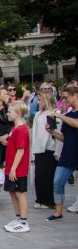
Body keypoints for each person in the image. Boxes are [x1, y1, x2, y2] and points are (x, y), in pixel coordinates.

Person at [46, 84, 78, 221]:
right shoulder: (68, 115)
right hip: (68, 153)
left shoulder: (67, 116)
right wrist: (52, 132)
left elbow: (77, 124)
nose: (64, 100)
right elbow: (65, 138)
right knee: (57, 181)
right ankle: (58, 212)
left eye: (66, 97)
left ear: (75, 95)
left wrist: (60, 115)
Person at [3, 101, 31, 233]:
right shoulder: (15, 129)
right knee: (13, 192)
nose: (7, 113)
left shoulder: (21, 130)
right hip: (11, 167)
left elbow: (21, 150)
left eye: (10, 111)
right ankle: (19, 217)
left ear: (18, 113)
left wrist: (13, 168)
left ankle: (24, 221)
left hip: (18, 169)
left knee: (20, 193)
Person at [31, 90, 59, 209]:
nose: (38, 102)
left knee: (48, 176)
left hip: (50, 148)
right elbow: (35, 133)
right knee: (38, 176)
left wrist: (57, 151)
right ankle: (40, 199)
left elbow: (57, 132)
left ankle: (48, 200)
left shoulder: (54, 113)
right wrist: (33, 152)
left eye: (40, 100)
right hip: (38, 148)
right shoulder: (37, 114)